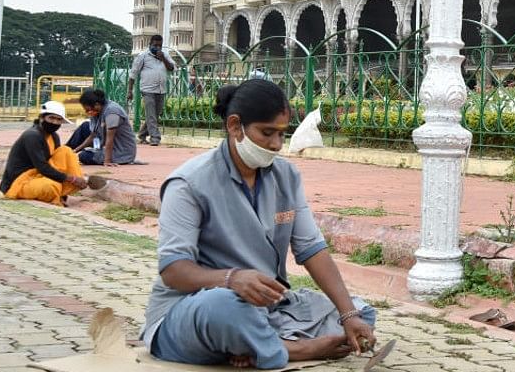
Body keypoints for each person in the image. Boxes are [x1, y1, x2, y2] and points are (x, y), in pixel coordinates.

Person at [142, 79, 376, 369]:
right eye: (267, 133)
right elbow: (173, 271)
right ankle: (295, 349)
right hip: (193, 310)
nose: (276, 144)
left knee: (360, 312)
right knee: (225, 309)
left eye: (282, 134)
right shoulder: (189, 183)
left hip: (265, 309)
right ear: (234, 126)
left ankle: (253, 345)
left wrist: (348, 314)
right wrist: (231, 279)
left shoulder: (286, 177)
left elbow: (312, 249)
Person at [0, 101, 107, 206]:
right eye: (51, 118)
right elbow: (42, 167)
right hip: (19, 182)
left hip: (39, 176)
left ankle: (67, 189)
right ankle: (58, 193)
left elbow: (56, 163)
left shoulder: (54, 136)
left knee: (66, 151)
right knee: (51, 187)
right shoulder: (32, 136)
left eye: (58, 119)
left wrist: (76, 178)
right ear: (42, 118)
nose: (55, 122)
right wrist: (72, 179)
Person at [129, 34, 175, 146]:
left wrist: (163, 58)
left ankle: (142, 134)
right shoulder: (143, 56)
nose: (157, 48)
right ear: (150, 44)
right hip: (147, 89)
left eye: (160, 45)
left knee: (155, 114)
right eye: (155, 45)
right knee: (151, 115)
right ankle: (155, 138)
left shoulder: (165, 55)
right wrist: (129, 90)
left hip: (161, 90)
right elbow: (133, 74)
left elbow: (172, 68)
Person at [75, 88, 137, 167]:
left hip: (120, 152)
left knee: (84, 156)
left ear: (97, 104)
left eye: (88, 109)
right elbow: (93, 136)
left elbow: (110, 138)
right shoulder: (96, 112)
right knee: (85, 127)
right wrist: (76, 150)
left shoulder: (112, 111)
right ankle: (67, 151)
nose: (87, 112)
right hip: (104, 144)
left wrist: (107, 160)